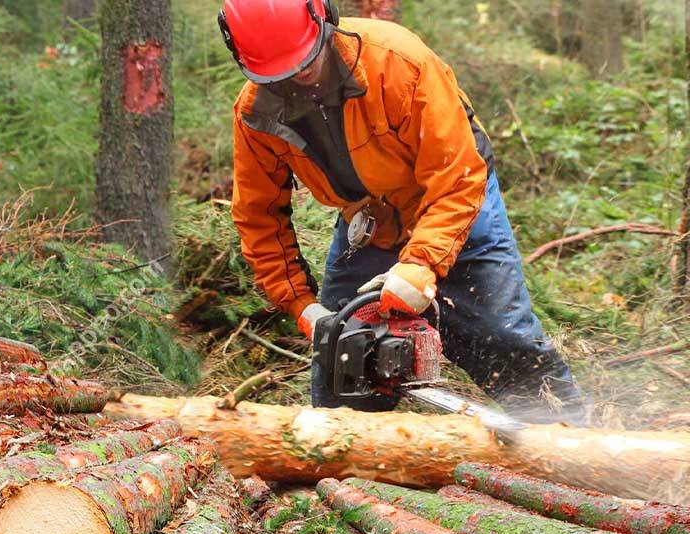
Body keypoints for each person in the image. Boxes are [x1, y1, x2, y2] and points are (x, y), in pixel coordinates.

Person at [219, 0, 587, 424]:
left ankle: (571, 438)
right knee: (341, 353)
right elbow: (258, 215)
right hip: (370, 221)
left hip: (454, 197)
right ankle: (348, 472)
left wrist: (420, 265)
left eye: (303, 63)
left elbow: (458, 176)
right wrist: (300, 304)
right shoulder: (255, 114)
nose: (295, 80)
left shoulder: (398, 64)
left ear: (326, 20)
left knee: (502, 335)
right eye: (278, 75)